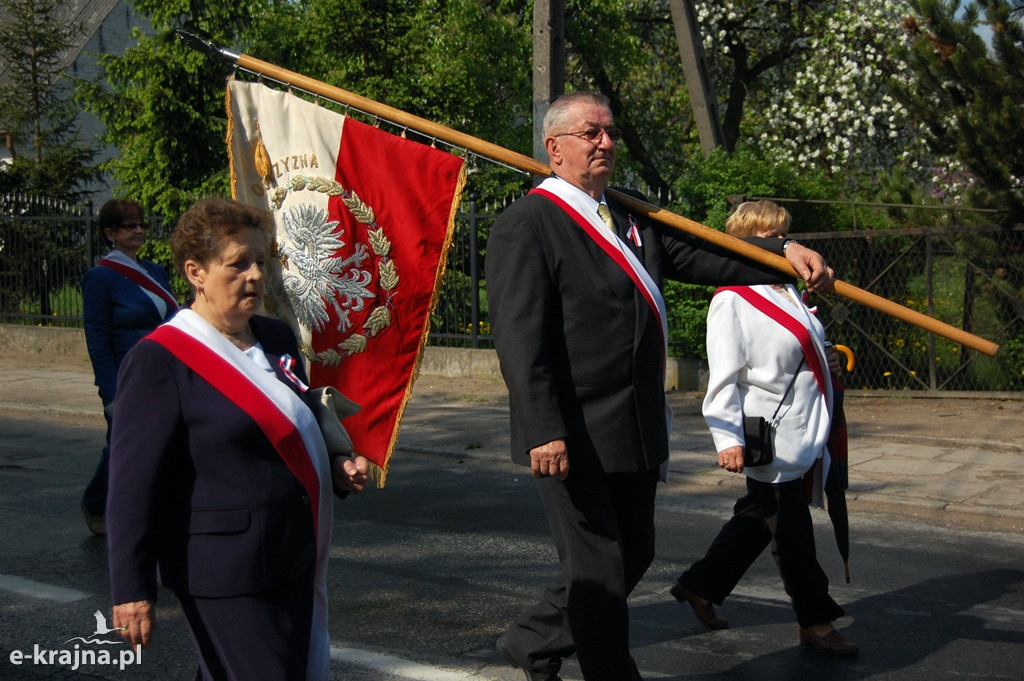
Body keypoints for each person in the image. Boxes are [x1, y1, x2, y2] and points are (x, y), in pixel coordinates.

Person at [485, 92, 836, 681]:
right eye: (590, 133)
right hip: (571, 431)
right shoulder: (528, 223)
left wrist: (783, 254)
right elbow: (520, 341)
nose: (605, 142)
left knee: (635, 553)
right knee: (597, 568)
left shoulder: (630, 218)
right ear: (555, 148)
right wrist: (543, 429)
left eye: (610, 132)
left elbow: (709, 257)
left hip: (636, 428)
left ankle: (533, 639)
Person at [106, 197, 371, 681]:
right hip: (224, 572)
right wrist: (130, 587)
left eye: (261, 262)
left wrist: (336, 461)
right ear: (195, 272)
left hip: (294, 553)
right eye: (237, 264)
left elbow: (296, 421)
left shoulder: (276, 338)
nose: (254, 276)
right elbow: (130, 486)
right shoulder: (160, 360)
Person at [668, 200, 857, 656]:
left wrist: (828, 358)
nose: (779, 246)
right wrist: (727, 437)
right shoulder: (732, 298)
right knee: (791, 534)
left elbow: (802, 352)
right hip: (765, 437)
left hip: (801, 431)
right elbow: (725, 374)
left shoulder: (788, 292)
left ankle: (700, 585)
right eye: (771, 237)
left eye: (782, 236)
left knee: (758, 519)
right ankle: (815, 618)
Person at [80, 199, 178, 535]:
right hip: (124, 376)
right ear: (110, 233)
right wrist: (109, 390)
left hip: (162, 373)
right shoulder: (100, 278)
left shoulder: (155, 271)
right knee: (123, 447)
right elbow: (97, 340)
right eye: (127, 226)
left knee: (165, 441)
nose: (137, 231)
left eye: (140, 224)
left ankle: (154, 510)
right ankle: (95, 502)